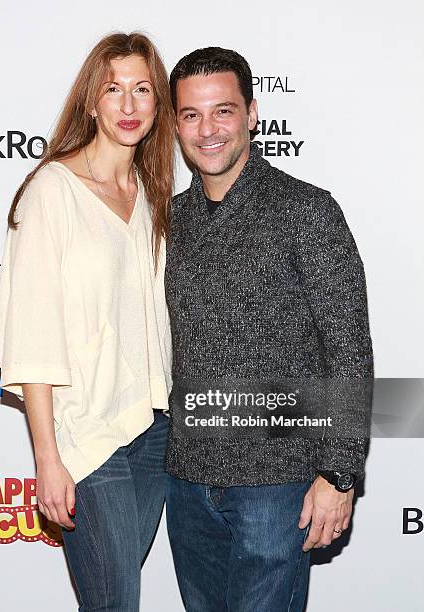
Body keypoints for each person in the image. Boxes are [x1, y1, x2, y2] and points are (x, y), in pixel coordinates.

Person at [164, 47, 374, 611]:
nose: (207, 130)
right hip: (187, 484)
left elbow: (349, 351)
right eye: (190, 114)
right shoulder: (170, 222)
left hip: (278, 489)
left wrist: (339, 473)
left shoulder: (306, 210)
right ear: (175, 123)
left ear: (253, 114)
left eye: (223, 111)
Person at [0, 32, 175, 611]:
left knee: (118, 597)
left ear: (157, 104)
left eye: (142, 90)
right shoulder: (52, 191)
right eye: (113, 90)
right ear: (90, 102)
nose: (128, 106)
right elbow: (33, 330)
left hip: (152, 428)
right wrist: (48, 457)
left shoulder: (150, 191)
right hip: (86, 438)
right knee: (115, 602)